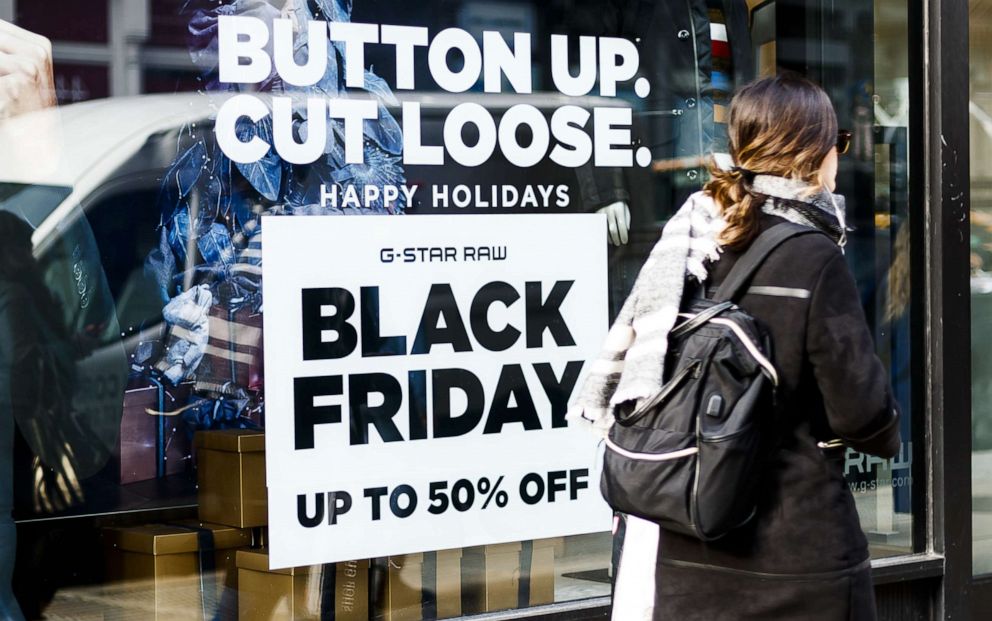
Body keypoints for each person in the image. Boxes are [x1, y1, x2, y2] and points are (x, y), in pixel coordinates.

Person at [569, 73, 901, 620]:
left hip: (679, 546)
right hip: (791, 554)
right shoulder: (814, 255)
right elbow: (861, 411)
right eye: (836, 143)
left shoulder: (691, 237)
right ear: (814, 154)